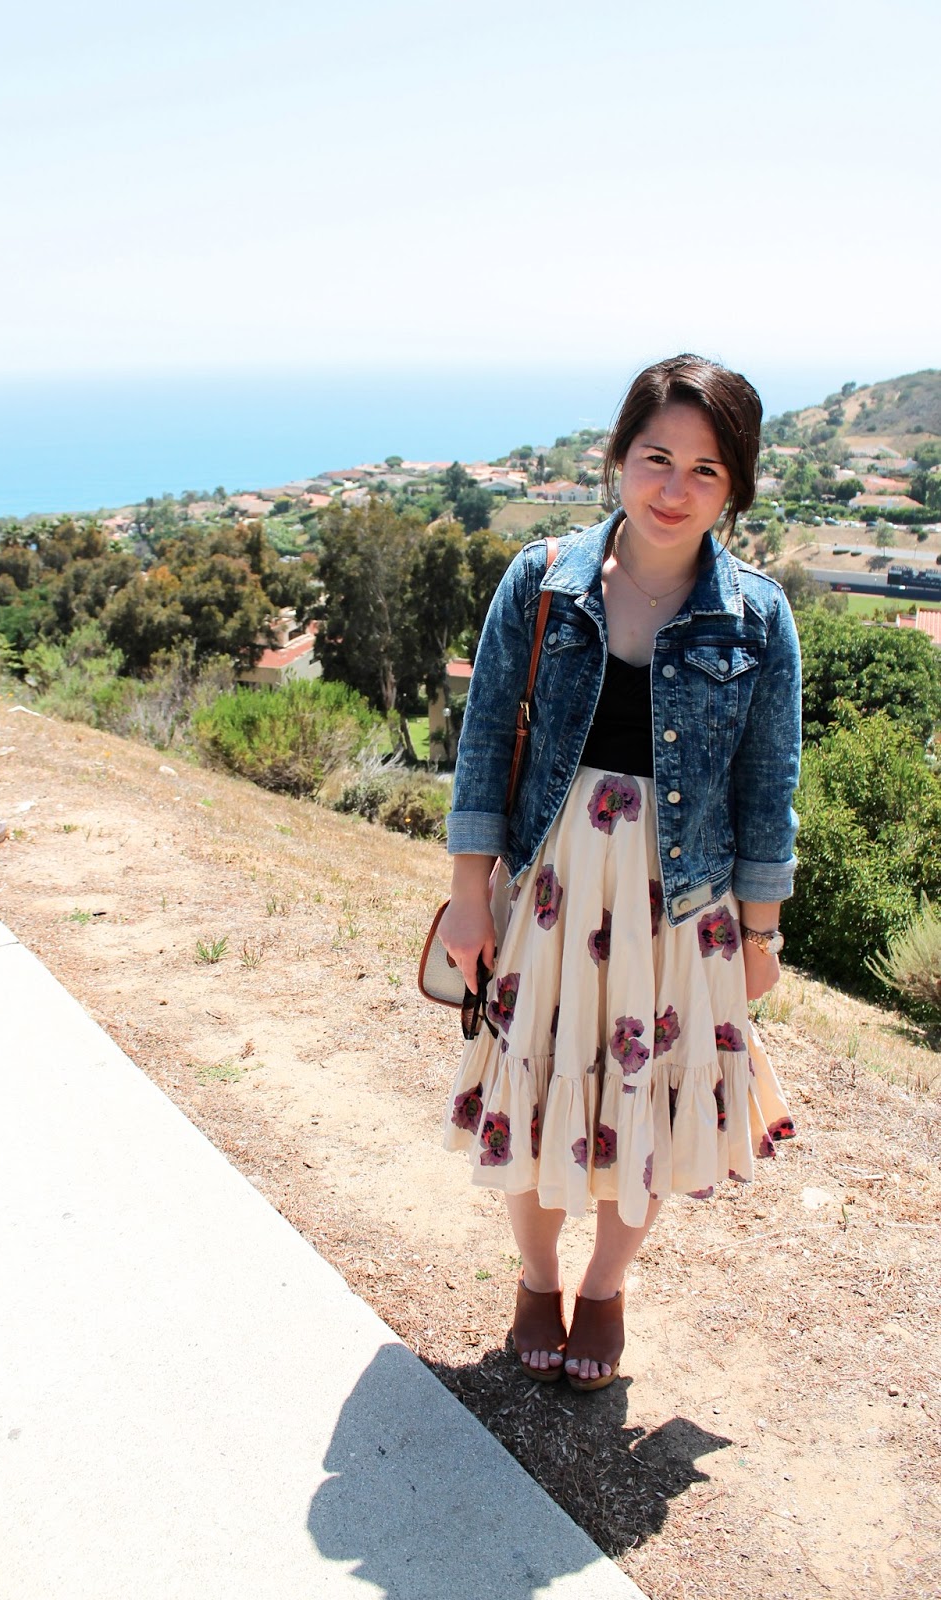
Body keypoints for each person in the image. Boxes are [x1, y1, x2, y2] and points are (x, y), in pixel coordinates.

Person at [438, 354, 801, 1391]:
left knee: (644, 1099)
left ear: (732, 487)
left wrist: (763, 937)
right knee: (534, 1087)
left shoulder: (757, 618)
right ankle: (536, 1271)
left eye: (705, 470)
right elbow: (479, 747)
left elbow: (768, 784)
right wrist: (470, 893)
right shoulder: (542, 579)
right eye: (656, 459)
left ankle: (603, 1286)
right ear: (617, 459)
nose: (673, 488)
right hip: (550, 887)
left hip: (681, 900)